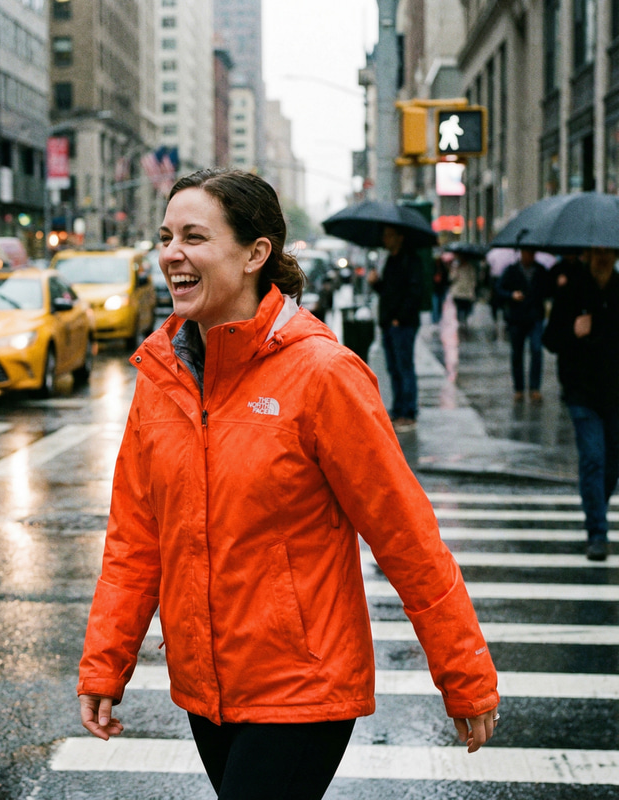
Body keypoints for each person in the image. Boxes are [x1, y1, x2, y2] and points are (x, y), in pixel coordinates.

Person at [77, 169, 499, 800]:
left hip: (304, 687)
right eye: (166, 237)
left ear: (255, 254)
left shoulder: (323, 373)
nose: (171, 254)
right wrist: (106, 662)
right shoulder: (160, 376)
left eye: (194, 236)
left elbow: (405, 534)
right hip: (207, 689)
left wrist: (464, 673)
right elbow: (136, 539)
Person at [542, 246, 619, 561]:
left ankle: (595, 508)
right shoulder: (572, 289)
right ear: (588, 254)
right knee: (592, 458)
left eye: (609, 252)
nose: (602, 258)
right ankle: (597, 532)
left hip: (616, 394)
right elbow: (550, 340)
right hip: (581, 392)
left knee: (612, 461)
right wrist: (573, 332)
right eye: (597, 252)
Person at [366, 224, 423, 431]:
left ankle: (409, 412)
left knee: (404, 367)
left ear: (400, 237)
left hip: (403, 324)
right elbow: (388, 292)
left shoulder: (410, 260)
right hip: (389, 323)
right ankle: (398, 409)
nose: (385, 240)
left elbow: (415, 292)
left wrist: (400, 317)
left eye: (389, 235)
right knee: (393, 368)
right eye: (384, 236)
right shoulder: (390, 261)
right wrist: (375, 283)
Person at [495, 247, 552, 403]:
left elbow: (548, 290)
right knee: (517, 353)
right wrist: (511, 295)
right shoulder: (512, 270)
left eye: (532, 253)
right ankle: (519, 389)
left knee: (536, 350)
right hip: (517, 318)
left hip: (535, 317)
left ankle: (535, 388)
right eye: (527, 252)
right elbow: (499, 289)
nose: (530, 256)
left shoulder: (540, 271)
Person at [448, 251, 479, 334]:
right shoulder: (457, 267)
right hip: (458, 292)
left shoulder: (470, 268)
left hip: (467, 292)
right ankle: (461, 321)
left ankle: (463, 320)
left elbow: (473, 280)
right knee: (460, 308)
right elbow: (451, 278)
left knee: (466, 308)